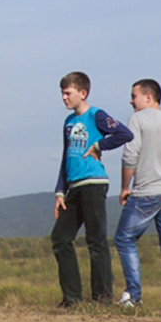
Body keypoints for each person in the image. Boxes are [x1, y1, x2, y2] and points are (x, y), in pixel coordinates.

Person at [51, 72, 133, 306]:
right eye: (62, 93)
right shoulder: (68, 122)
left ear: (82, 93)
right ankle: (72, 298)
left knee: (95, 240)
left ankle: (102, 297)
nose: (64, 98)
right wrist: (59, 191)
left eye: (68, 93)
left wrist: (99, 145)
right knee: (60, 238)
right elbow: (65, 157)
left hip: (93, 183)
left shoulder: (96, 115)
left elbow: (124, 134)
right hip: (74, 186)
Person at [115, 79, 161, 309]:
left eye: (133, 96)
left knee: (124, 239)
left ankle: (133, 294)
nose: (130, 101)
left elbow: (130, 155)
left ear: (149, 97)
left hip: (147, 191)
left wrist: (125, 186)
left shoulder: (137, 119)